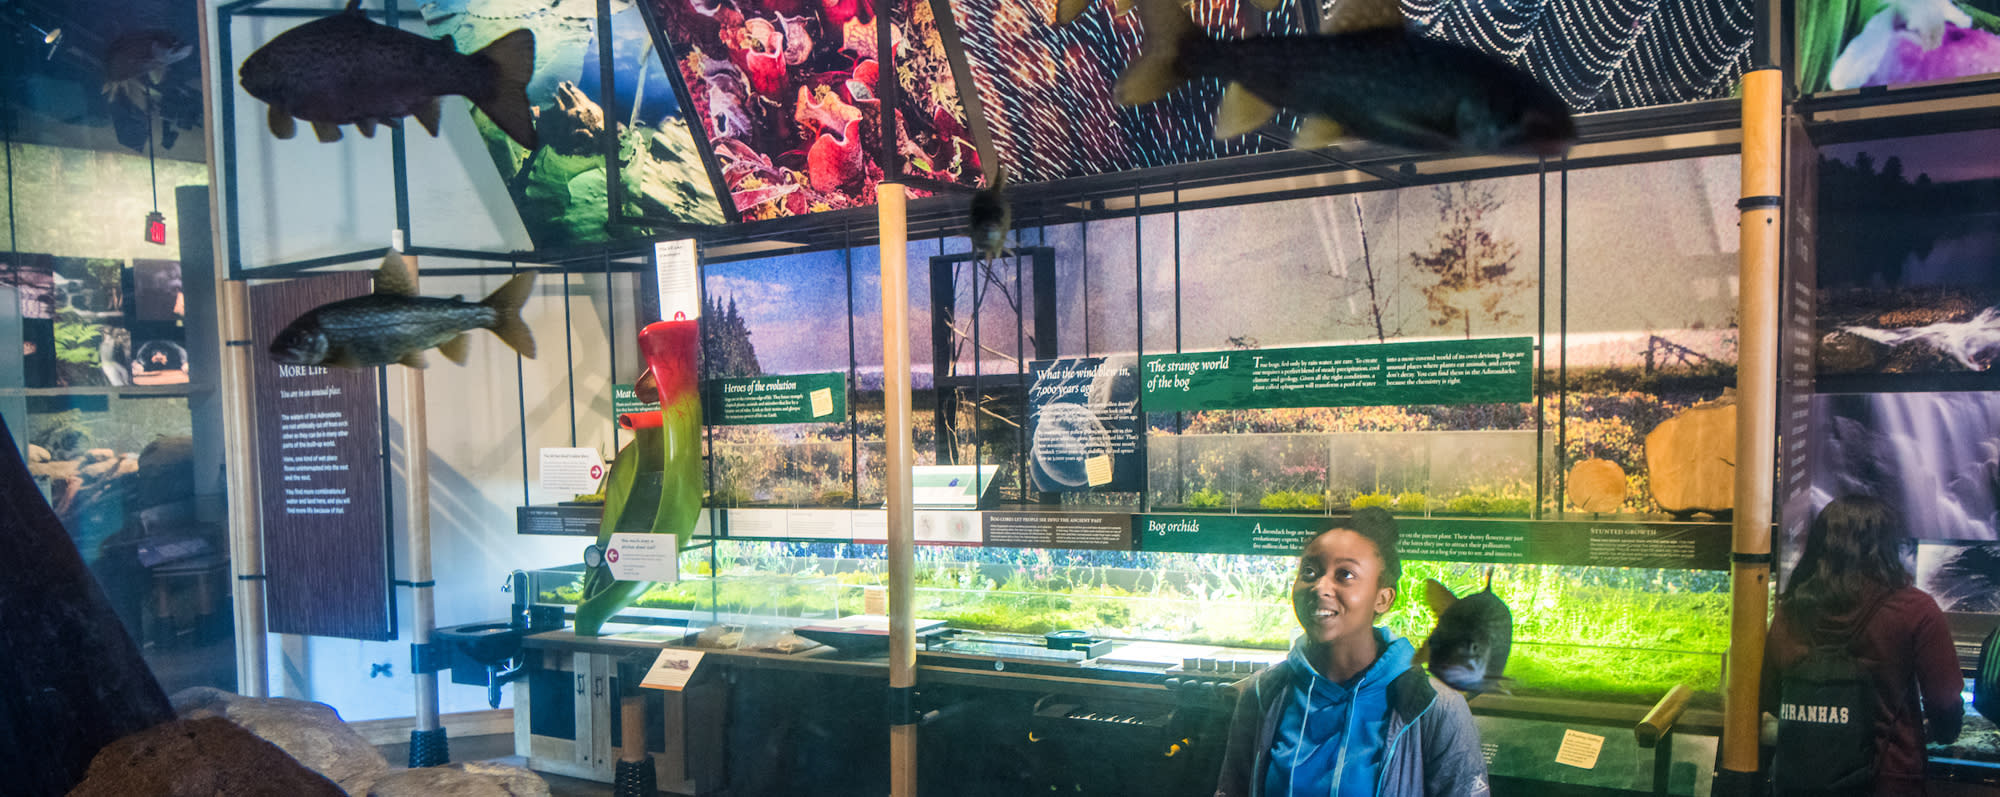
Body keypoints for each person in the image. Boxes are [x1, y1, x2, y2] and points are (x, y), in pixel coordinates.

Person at [1216, 507, 1489, 797]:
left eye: (1345, 574)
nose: (1320, 587)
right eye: (1309, 571)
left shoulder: (1434, 705)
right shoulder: (1263, 693)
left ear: (1383, 599)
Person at [1761, 495, 1964, 796]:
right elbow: (1945, 702)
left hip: (1800, 781)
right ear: (1887, 546)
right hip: (1888, 781)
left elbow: (1768, 699)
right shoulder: (1916, 609)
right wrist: (1943, 733)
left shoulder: (1790, 611)